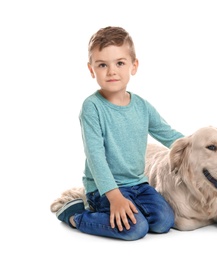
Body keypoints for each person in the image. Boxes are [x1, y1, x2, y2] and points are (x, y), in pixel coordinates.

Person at [55, 26, 184, 241]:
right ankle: (74, 214)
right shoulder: (92, 107)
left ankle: (129, 210)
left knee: (164, 222)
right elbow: (96, 158)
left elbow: (169, 135)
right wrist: (114, 197)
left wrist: (195, 146)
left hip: (138, 184)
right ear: (91, 69)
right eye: (103, 65)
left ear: (134, 66)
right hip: (104, 189)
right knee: (135, 229)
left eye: (120, 63)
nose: (112, 71)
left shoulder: (141, 106)